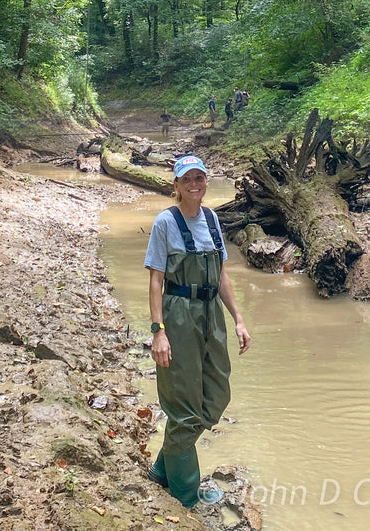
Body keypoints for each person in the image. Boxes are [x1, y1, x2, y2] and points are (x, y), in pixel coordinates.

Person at [145, 154, 251, 507]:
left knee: (217, 393)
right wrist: (158, 332)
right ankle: (187, 497)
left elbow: (221, 275)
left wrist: (237, 318)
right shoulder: (165, 223)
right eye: (187, 178)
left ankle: (162, 468)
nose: (194, 184)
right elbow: (156, 280)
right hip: (178, 316)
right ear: (175, 185)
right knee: (183, 404)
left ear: (207, 182)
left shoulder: (211, 218)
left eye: (200, 178)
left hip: (211, 315)